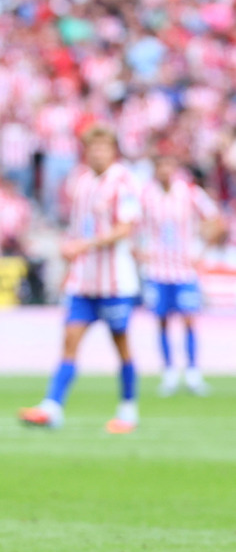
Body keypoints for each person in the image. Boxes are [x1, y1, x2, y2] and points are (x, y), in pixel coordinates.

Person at [18, 123, 143, 434]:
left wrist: (84, 246)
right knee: (69, 341)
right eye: (92, 147)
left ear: (113, 150)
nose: (97, 152)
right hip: (84, 282)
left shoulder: (124, 182)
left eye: (103, 147)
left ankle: (128, 410)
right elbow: (78, 231)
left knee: (121, 345)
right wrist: (70, 257)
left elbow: (125, 229)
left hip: (114, 282)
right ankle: (52, 406)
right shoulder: (84, 183)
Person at [138, 151, 224, 397]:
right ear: (155, 168)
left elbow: (216, 220)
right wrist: (139, 251)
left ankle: (193, 373)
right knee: (162, 321)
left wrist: (202, 251)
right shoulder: (147, 195)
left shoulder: (189, 192)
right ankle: (169, 373)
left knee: (188, 319)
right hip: (157, 270)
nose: (165, 169)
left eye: (168, 163)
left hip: (185, 270)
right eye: (160, 164)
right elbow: (133, 224)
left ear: (174, 167)